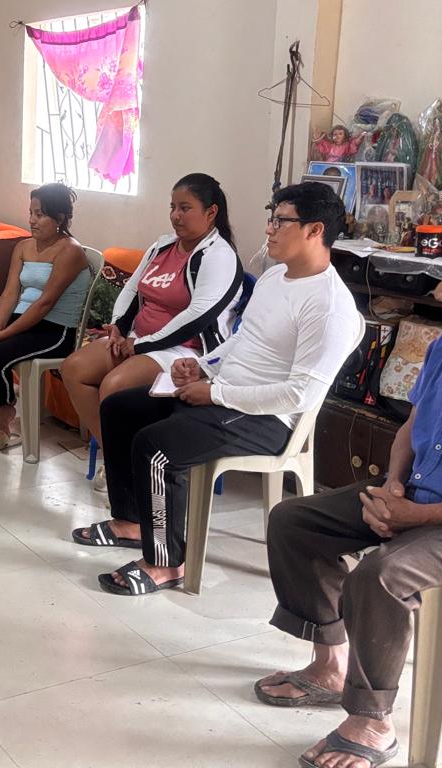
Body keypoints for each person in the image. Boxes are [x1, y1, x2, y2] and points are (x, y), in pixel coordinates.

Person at [253, 227, 442, 768]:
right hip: (421, 495)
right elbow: (412, 427)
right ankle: (329, 667)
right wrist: (394, 486)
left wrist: (419, 515)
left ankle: (372, 721)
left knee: (380, 574)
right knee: (295, 521)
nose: (437, 292)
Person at [74, 182, 361, 594]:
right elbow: (242, 340)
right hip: (226, 394)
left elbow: (300, 395)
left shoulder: (329, 305)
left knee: (156, 447)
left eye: (281, 221)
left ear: (315, 230)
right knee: (120, 408)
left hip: (267, 418)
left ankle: (166, 563)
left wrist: (214, 394)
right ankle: (132, 522)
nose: (269, 229)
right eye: (271, 218)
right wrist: (202, 367)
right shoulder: (275, 277)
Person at [59, 173, 242, 459]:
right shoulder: (163, 246)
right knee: (74, 369)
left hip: (183, 350)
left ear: (211, 212)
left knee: (114, 387)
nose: (175, 216)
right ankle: (118, 458)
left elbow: (197, 317)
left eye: (185, 208)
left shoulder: (219, 256)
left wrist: (140, 345)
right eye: (172, 207)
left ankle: (125, 464)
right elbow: (133, 289)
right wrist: (118, 328)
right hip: (139, 340)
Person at [0, 184, 90, 452]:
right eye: (31, 213)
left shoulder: (70, 251)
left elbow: (45, 304)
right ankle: (1, 407)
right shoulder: (23, 247)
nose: (32, 220)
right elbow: (10, 292)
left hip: (54, 332)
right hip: (20, 323)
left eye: (40, 214)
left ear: (59, 218)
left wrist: (3, 336)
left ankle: (3, 418)